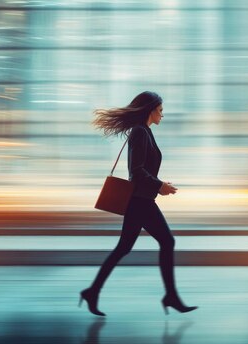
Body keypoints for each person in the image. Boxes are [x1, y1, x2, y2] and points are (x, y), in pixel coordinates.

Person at [79, 91, 198, 316]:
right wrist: (159, 185)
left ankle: (92, 291)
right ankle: (170, 296)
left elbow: (142, 171)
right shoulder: (140, 133)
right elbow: (136, 171)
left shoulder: (145, 132)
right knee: (167, 241)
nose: (163, 115)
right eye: (160, 110)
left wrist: (158, 186)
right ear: (150, 110)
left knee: (123, 248)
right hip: (140, 201)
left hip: (141, 200)